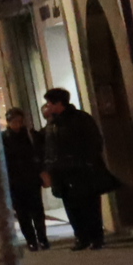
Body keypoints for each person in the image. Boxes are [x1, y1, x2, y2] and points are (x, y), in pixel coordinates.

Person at [43, 87, 113, 252]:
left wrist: (86, 162)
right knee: (71, 206)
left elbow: (95, 142)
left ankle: (96, 237)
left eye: (49, 103)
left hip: (82, 170)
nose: (47, 107)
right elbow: (50, 147)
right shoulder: (53, 123)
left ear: (59, 103)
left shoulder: (81, 119)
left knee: (89, 205)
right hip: (62, 172)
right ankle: (81, 237)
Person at [2, 107, 50, 251]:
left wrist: (42, 172)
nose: (17, 124)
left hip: (31, 178)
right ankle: (31, 240)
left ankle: (42, 238)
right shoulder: (3, 138)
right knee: (22, 213)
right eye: (13, 121)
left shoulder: (30, 135)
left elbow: (40, 154)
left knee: (37, 211)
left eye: (19, 121)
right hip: (14, 181)